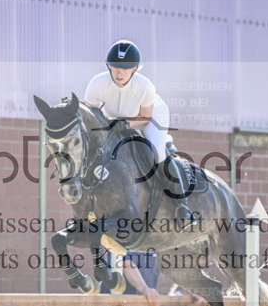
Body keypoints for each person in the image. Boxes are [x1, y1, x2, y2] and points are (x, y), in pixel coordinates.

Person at [83, 40, 196, 228]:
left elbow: (144, 117)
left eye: (125, 68)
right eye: (115, 67)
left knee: (157, 150)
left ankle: (182, 205)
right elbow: (91, 117)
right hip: (116, 118)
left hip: (149, 117)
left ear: (134, 69)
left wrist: (126, 123)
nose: (119, 72)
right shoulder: (97, 84)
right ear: (108, 66)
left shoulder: (145, 86)